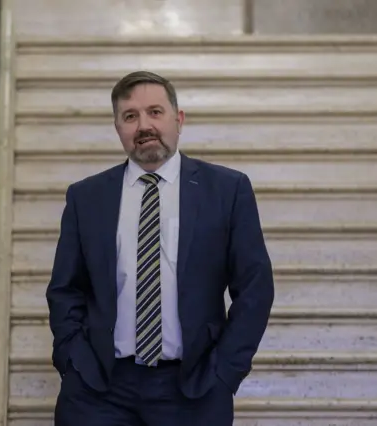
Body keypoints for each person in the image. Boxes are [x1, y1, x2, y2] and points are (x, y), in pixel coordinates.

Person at [46, 70, 274, 426]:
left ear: (178, 119)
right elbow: (65, 289)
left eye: (155, 112)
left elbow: (255, 289)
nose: (144, 125)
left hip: (193, 389)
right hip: (98, 391)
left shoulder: (227, 191)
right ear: (118, 127)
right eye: (130, 116)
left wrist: (224, 373)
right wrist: (73, 359)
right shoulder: (86, 197)